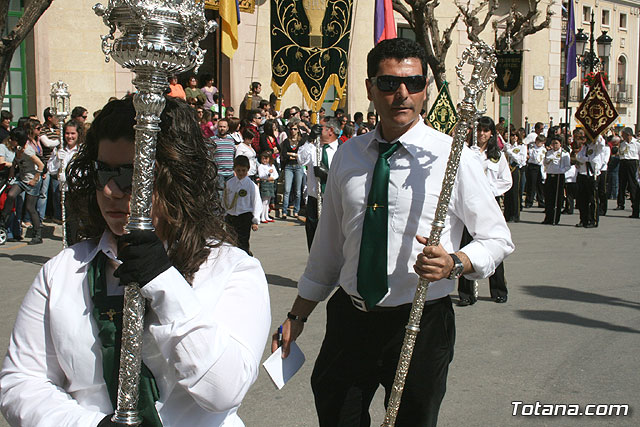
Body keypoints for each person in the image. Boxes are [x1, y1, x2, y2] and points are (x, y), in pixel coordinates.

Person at [272, 38, 513, 427]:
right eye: (388, 84)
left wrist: (455, 262)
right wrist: (296, 315)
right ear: (370, 88)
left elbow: (497, 238)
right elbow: (329, 250)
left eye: (413, 83)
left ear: (425, 89)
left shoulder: (453, 157)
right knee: (337, 413)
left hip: (420, 322)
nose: (402, 94)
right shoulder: (348, 156)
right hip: (351, 320)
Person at [0, 96, 270, 426]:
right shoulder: (62, 272)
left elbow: (223, 391)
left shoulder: (232, 269)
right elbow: (21, 382)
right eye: (103, 173)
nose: (112, 191)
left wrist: (164, 282)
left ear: (177, 178)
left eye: (131, 175)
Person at [457, 116, 512, 306]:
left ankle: (498, 290)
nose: (481, 134)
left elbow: (506, 180)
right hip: (468, 203)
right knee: (465, 246)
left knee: (492, 245)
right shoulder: (466, 152)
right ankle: (466, 293)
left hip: (489, 202)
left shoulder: (497, 156)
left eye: (486, 131)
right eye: (479, 130)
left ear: (491, 134)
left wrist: (489, 190)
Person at [297, 117, 340, 250]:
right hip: (314, 200)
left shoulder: (342, 150)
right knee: (313, 238)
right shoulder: (313, 148)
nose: (317, 130)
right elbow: (301, 159)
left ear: (330, 130)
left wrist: (327, 175)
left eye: (320, 128)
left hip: (334, 200)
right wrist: (310, 139)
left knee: (333, 239)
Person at [0, 128, 45, 245]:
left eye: (13, 139)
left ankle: (37, 234)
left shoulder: (28, 151)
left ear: (18, 140)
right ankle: (3, 219)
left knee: (30, 208)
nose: (10, 140)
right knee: (10, 195)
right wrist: (11, 172)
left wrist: (35, 179)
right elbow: (16, 161)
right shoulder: (18, 148)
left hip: (32, 181)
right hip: (22, 179)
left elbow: (41, 165)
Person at [47, 119, 84, 245]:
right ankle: (71, 246)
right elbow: (51, 169)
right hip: (66, 190)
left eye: (73, 133)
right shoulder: (60, 149)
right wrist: (57, 159)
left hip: (80, 190)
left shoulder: (82, 150)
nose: (70, 136)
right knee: (69, 222)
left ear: (78, 134)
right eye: (67, 133)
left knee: (80, 222)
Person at [223, 155, 261, 255]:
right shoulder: (229, 183)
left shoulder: (251, 185)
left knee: (243, 241)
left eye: (243, 170)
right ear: (234, 169)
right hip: (231, 216)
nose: (241, 173)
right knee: (231, 242)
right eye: (238, 170)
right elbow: (225, 200)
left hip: (245, 216)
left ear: (248, 170)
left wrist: (255, 220)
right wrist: (224, 214)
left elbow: (256, 202)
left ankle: (245, 259)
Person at [542, 135, 571, 225]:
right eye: (553, 143)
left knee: (557, 198)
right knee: (549, 198)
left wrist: (560, 170)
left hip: (559, 176)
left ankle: (555, 218)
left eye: (556, 143)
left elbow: (568, 166)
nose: (554, 145)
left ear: (560, 144)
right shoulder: (549, 152)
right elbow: (544, 163)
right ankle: (548, 217)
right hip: (550, 175)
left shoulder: (564, 153)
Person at [280, 119, 305, 219]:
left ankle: (296, 211)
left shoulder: (301, 141)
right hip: (289, 167)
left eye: (295, 129)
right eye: (291, 129)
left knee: (298, 191)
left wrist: (294, 155)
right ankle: (284, 211)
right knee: (287, 190)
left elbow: (301, 154)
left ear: (298, 130)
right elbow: (284, 154)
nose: (293, 131)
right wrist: (294, 155)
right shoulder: (286, 141)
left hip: (298, 166)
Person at [616, 127, 639, 217]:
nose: (622, 136)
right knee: (622, 184)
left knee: (633, 185)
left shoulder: (637, 143)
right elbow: (620, 153)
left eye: (623, 135)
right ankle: (620, 203)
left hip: (632, 163)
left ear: (628, 134)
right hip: (623, 162)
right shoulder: (622, 143)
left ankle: (635, 208)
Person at [503, 130, 527, 222]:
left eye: (515, 135)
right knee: (507, 193)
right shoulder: (508, 146)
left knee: (514, 192)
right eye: (512, 135)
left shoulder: (521, 147)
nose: (514, 137)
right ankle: (507, 214)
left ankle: (515, 215)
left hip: (515, 169)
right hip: (507, 169)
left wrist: (510, 153)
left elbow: (521, 160)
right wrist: (505, 150)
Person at [524, 134, 546, 208]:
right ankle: (529, 201)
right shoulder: (532, 148)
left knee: (540, 185)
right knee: (531, 185)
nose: (539, 143)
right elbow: (531, 156)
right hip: (533, 166)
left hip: (541, 167)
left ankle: (541, 201)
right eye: (538, 141)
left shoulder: (544, 149)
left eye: (541, 142)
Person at [257, 151, 278, 223]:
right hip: (265, 183)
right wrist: (268, 173)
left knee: (268, 201)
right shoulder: (260, 166)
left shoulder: (271, 165)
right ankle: (262, 216)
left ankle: (266, 216)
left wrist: (273, 178)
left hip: (271, 183)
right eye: (263, 159)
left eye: (266, 158)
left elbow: (276, 174)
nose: (265, 160)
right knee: (264, 201)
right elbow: (261, 175)